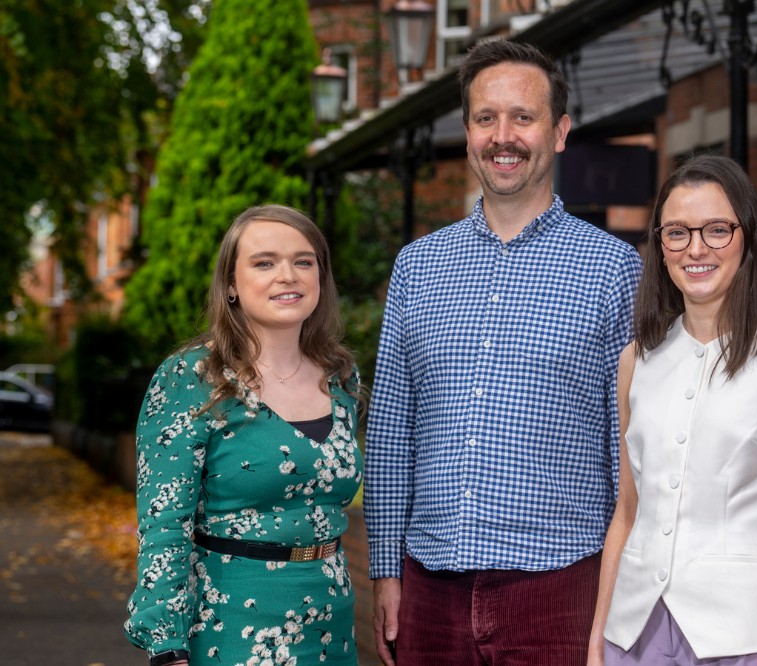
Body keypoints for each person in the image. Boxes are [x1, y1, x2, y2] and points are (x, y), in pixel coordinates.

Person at [364, 39, 643, 665]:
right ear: (467, 135)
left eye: (523, 116)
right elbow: (389, 431)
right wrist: (385, 570)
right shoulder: (418, 267)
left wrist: (619, 591)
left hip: (561, 588)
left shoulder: (613, 270)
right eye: (486, 118)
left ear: (560, 131)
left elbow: (629, 447)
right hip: (429, 589)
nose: (503, 136)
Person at [589, 154, 757, 666]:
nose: (696, 248)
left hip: (746, 643)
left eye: (717, 230)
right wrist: (597, 642)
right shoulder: (635, 361)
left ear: (747, 237)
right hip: (632, 637)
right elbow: (628, 513)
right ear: (660, 247)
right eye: (677, 233)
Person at [124, 204, 364, 666]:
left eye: (303, 261)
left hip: (332, 624)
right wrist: (166, 645)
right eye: (264, 262)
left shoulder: (341, 379)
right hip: (230, 626)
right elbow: (163, 523)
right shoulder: (191, 379)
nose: (287, 275)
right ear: (231, 284)